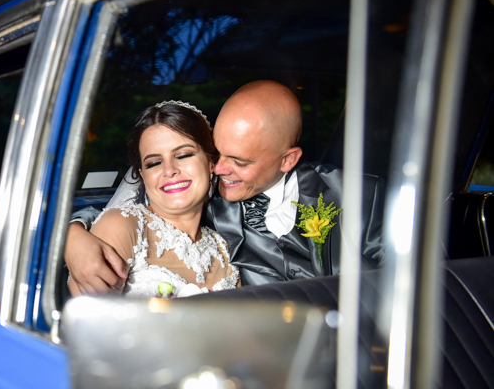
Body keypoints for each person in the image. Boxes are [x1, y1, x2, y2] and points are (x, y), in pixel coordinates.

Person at [67, 80, 385, 294]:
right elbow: (130, 207)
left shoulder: (361, 197)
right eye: (217, 155)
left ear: (287, 160)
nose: (220, 169)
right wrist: (74, 233)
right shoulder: (212, 201)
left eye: (240, 162)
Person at [84, 101, 239, 298]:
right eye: (154, 163)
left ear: (210, 162)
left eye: (183, 155)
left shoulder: (224, 251)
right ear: (142, 175)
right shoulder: (124, 227)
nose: (169, 170)